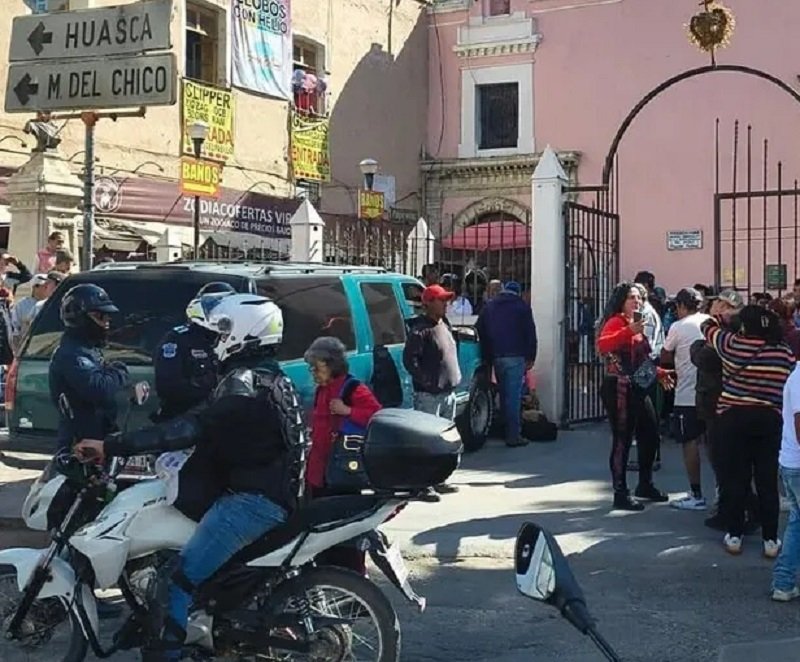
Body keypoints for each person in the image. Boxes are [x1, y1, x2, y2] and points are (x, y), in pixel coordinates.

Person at [74, 294, 305, 662]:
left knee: (176, 581)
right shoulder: (269, 376)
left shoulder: (243, 383)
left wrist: (112, 446)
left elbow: (190, 427)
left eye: (222, 331)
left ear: (244, 333)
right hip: (269, 492)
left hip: (253, 502)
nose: (215, 339)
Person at [702, 305, 795, 556]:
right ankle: (770, 539)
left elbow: (707, 329)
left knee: (737, 479)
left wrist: (718, 316)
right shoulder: (783, 352)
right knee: (767, 480)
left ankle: (734, 534)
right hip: (769, 420)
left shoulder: (734, 344)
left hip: (733, 418)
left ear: (746, 326)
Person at [303, 336, 382, 572]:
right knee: (322, 534)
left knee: (345, 536)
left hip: (342, 474)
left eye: (316, 366)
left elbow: (376, 416)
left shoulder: (352, 388)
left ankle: (352, 579)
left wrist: (348, 410)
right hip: (319, 473)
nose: (313, 372)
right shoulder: (322, 390)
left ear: (331, 364)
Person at [597, 282, 673, 511]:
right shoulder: (616, 322)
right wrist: (627, 332)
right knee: (622, 439)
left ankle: (645, 484)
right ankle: (620, 492)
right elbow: (603, 345)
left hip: (638, 386)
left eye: (640, 298)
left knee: (650, 433)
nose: (637, 301)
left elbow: (640, 362)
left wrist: (658, 373)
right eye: (632, 297)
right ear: (621, 300)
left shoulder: (636, 326)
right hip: (618, 387)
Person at [403, 284, 462, 496]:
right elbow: (410, 361)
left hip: (448, 394)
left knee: (445, 441)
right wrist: (428, 382)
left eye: (446, 300)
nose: (445, 304)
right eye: (441, 300)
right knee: (427, 442)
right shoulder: (420, 330)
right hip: (430, 396)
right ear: (428, 304)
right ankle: (423, 484)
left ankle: (439, 479)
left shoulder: (443, 324)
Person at [153, 282, 236, 421]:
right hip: (185, 420)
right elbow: (167, 387)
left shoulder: (236, 337)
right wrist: (211, 388)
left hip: (225, 420)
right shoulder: (178, 339)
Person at [661, 288, 710, 511]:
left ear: (681, 306)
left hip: (687, 393)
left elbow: (665, 354)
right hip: (712, 394)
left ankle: (696, 493)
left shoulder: (678, 327)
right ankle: (723, 491)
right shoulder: (712, 322)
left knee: (689, 442)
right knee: (714, 444)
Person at [476, 280, 537, 447]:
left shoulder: (490, 306)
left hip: (496, 356)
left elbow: (479, 329)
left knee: (503, 395)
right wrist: (531, 357)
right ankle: (513, 435)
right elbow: (530, 333)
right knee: (513, 397)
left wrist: (487, 354)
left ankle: (505, 431)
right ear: (517, 292)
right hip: (515, 356)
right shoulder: (522, 307)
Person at [772, 361, 800, 601]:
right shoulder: (799, 379)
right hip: (797, 464)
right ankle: (783, 581)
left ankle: (784, 582)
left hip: (792, 463)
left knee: (796, 522)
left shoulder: (795, 377)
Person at [11, 271, 64, 353]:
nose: (45, 287)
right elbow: (21, 329)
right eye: (43, 285)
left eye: (48, 284)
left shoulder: (68, 306)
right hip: (36, 352)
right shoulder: (28, 305)